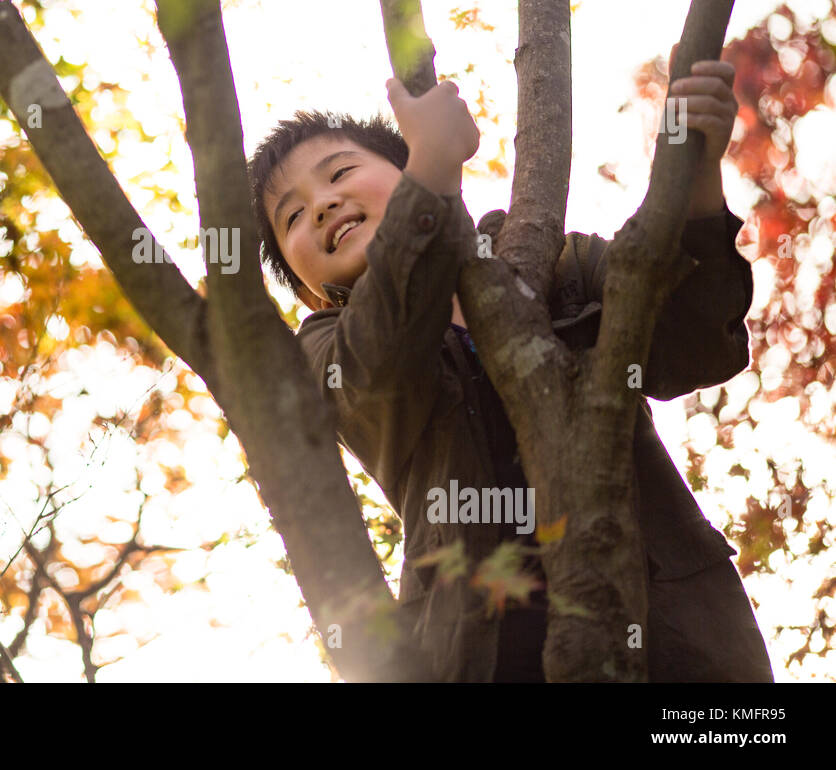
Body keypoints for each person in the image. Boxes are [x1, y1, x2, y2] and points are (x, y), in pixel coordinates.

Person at [246, 62, 773, 681]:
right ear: (306, 291)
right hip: (480, 654)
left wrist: (697, 179)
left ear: (405, 162)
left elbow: (694, 338)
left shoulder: (556, 260)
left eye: (339, 173)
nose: (323, 204)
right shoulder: (325, 349)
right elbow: (376, 372)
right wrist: (433, 179)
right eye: (292, 217)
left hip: (668, 635)